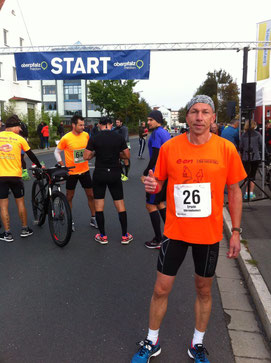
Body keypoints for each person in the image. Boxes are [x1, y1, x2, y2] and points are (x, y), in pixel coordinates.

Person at [131, 95, 246, 363]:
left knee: (203, 290)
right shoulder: (171, 147)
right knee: (161, 289)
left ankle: (197, 344)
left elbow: (235, 192)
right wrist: (152, 185)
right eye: (194, 111)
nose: (199, 117)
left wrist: (237, 232)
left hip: (208, 233)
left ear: (213, 118)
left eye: (205, 112)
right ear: (187, 116)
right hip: (175, 231)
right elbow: (157, 183)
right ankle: (152, 340)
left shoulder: (226, 149)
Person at [83, 117, 133, 244]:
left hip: (100, 172)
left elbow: (86, 156)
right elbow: (127, 155)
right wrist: (117, 154)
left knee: (99, 205)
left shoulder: (94, 138)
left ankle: (103, 236)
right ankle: (125, 235)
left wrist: (96, 153)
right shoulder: (118, 137)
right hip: (115, 172)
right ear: (111, 124)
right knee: (119, 203)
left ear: (100, 124)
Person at [0, 115, 44, 242]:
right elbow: (31, 155)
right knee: (20, 202)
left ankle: (7, 233)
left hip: (1, 176)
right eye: (19, 127)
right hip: (15, 176)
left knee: (3, 205)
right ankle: (25, 229)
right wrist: (40, 166)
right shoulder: (20, 139)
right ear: (13, 127)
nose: (20, 129)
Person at [54, 115, 97, 231]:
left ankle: (94, 218)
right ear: (73, 125)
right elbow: (56, 152)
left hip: (85, 171)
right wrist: (62, 165)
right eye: (80, 125)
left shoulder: (86, 135)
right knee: (69, 197)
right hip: (71, 172)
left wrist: (91, 155)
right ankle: (70, 219)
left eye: (83, 125)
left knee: (91, 195)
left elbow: (91, 149)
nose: (83, 127)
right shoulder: (66, 138)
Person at [141, 110, 171, 249]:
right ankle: (171, 235)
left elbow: (156, 155)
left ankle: (158, 239)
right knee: (159, 204)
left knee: (150, 205)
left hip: (157, 175)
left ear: (158, 120)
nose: (148, 122)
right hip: (165, 173)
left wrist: (146, 172)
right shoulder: (163, 132)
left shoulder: (158, 133)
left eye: (150, 120)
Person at [240, 119, 262, 200]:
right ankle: (250, 193)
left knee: (246, 175)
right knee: (252, 175)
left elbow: (241, 146)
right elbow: (261, 144)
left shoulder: (243, 135)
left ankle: (245, 192)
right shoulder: (257, 134)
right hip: (255, 157)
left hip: (245, 157)